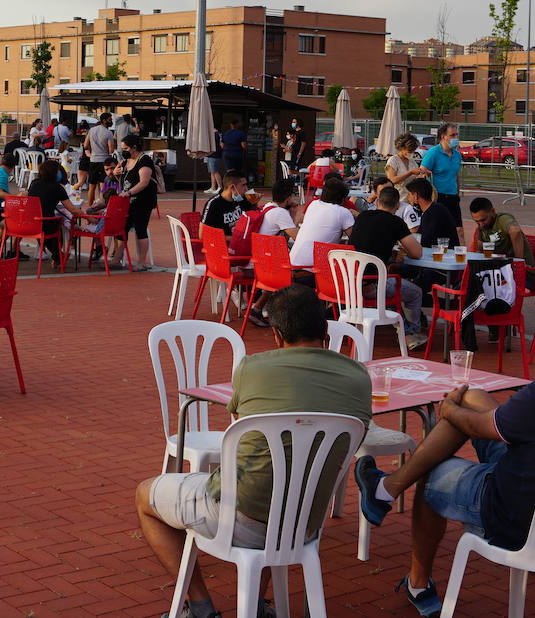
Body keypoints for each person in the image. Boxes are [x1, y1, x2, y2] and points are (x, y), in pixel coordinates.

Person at [355, 292, 535, 616]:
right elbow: (488, 423)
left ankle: (417, 578)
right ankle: (385, 490)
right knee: (475, 396)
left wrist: (449, 409)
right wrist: (464, 405)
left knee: (430, 472)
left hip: (515, 520)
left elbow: (474, 425)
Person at [137, 286, 372, 618]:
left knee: (145, 495)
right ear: (326, 329)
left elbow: (242, 428)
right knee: (274, 482)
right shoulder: (360, 377)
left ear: (276, 335)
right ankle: (257, 605)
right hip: (305, 521)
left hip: (241, 516)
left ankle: (201, 606)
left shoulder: (252, 368)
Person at [350, 186, 426, 347]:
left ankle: (401, 326)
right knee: (415, 293)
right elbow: (417, 252)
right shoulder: (396, 222)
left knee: (388, 281)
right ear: (397, 205)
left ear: (377, 201)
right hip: (371, 284)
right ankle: (411, 334)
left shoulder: (362, 217)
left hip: (349, 281)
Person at [27, 159, 83, 267]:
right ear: (54, 172)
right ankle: (58, 255)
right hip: (46, 223)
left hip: (30, 222)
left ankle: (57, 255)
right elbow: (73, 209)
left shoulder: (34, 183)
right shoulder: (57, 188)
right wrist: (89, 218)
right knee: (58, 225)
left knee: (52, 224)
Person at [288, 178, 354, 270]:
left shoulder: (313, 204)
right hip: (314, 270)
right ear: (343, 199)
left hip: (292, 264)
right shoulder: (343, 212)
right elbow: (355, 239)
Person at [119, 134, 159, 272]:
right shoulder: (126, 160)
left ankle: (141, 262)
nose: (123, 150)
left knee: (140, 229)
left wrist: (129, 192)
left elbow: (144, 182)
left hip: (142, 201)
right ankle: (117, 258)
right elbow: (122, 176)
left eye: (125, 148)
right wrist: (116, 172)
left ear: (134, 147)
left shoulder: (145, 160)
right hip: (127, 202)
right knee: (122, 228)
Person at [419, 122, 463, 239]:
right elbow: (421, 172)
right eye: (453, 135)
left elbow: (456, 175)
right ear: (443, 136)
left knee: (458, 230)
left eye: (456, 135)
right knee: (437, 231)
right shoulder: (433, 153)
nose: (456, 138)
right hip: (438, 198)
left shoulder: (457, 155)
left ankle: (463, 255)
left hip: (453, 197)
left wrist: (458, 192)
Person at [468, 197, 533, 269]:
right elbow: (479, 251)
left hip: (521, 273)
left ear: (492, 211)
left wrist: (518, 262)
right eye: (476, 221)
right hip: (498, 271)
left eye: (483, 220)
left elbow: (515, 230)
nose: (481, 224)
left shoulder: (502, 219)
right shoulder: (482, 228)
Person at [408, 179, 459, 250]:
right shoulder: (435, 209)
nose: (408, 198)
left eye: (409, 194)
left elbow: (425, 242)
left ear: (416, 196)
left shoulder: (434, 213)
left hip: (444, 256)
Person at [200, 169, 253, 236]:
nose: (246, 189)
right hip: (222, 244)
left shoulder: (241, 199)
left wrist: (254, 202)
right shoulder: (214, 204)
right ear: (232, 187)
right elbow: (202, 235)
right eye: (243, 185)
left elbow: (252, 217)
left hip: (238, 240)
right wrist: (234, 239)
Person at [84, 113, 116, 203]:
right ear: (104, 120)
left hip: (93, 160)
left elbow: (85, 145)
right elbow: (111, 150)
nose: (111, 121)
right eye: (110, 120)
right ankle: (102, 206)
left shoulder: (92, 130)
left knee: (91, 187)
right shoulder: (109, 133)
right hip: (104, 161)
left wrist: (91, 153)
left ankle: (90, 208)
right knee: (103, 186)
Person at [203, 126, 224, 196]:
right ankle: (213, 187)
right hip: (211, 154)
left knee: (215, 171)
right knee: (212, 172)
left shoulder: (215, 134)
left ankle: (220, 187)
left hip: (214, 154)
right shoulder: (216, 134)